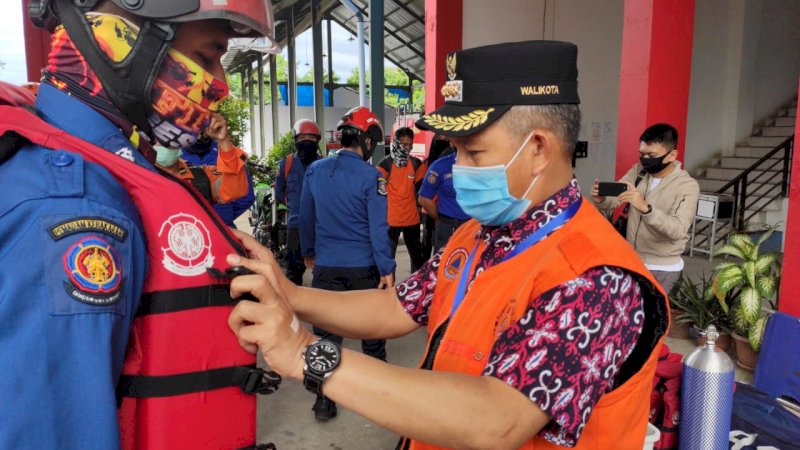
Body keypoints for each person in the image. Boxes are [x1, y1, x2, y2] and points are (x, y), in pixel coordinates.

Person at [227, 40, 670, 449]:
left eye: (473, 153)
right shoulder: (478, 235)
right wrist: (289, 294)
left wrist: (308, 352)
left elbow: (497, 419)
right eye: (455, 151)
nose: (457, 169)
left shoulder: (598, 279)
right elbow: (396, 307)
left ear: (538, 149)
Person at [0, 1, 278, 448]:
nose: (220, 85)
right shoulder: (74, 209)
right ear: (122, 40)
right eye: (208, 57)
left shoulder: (76, 158)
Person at [298, 106, 396, 421]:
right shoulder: (373, 177)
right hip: (364, 269)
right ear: (367, 141)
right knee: (372, 332)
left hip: (326, 267)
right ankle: (379, 398)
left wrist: (308, 250)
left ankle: (323, 401)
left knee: (325, 338)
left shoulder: (315, 170)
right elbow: (378, 230)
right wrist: (387, 268)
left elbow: (306, 218)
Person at [591, 123, 700, 294]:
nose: (645, 159)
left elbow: (678, 229)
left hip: (664, 269)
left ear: (672, 155)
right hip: (632, 261)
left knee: (655, 319)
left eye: (652, 155)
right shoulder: (638, 171)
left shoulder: (687, 186)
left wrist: (645, 208)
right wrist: (602, 199)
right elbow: (615, 199)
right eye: (641, 154)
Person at [157, 112, 251, 208]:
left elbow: (234, 191)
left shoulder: (200, 176)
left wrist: (224, 141)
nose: (166, 142)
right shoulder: (141, 180)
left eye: (172, 135)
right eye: (159, 137)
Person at [275, 119, 323, 285]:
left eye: (311, 139)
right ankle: (292, 309)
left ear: (318, 140)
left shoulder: (324, 165)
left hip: (320, 226)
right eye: (302, 138)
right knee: (293, 272)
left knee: (323, 271)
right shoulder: (287, 164)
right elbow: (279, 191)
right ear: (295, 140)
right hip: (296, 225)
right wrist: (293, 206)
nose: (306, 142)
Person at [181, 124, 256, 227]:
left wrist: (225, 216)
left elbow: (246, 197)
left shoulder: (227, 151)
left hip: (221, 225)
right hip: (190, 227)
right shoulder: (173, 156)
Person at [377, 127, 427, 272]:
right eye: (404, 145)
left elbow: (422, 192)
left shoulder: (417, 164)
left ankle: (416, 290)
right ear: (396, 143)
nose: (407, 148)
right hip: (390, 221)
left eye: (410, 145)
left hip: (412, 220)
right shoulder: (384, 165)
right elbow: (377, 195)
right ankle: (388, 291)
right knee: (388, 260)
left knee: (417, 259)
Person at [418, 143, 471, 252]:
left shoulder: (481, 165)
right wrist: (441, 218)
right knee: (443, 264)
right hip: (447, 227)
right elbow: (423, 198)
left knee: (472, 265)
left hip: (472, 227)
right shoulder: (440, 166)